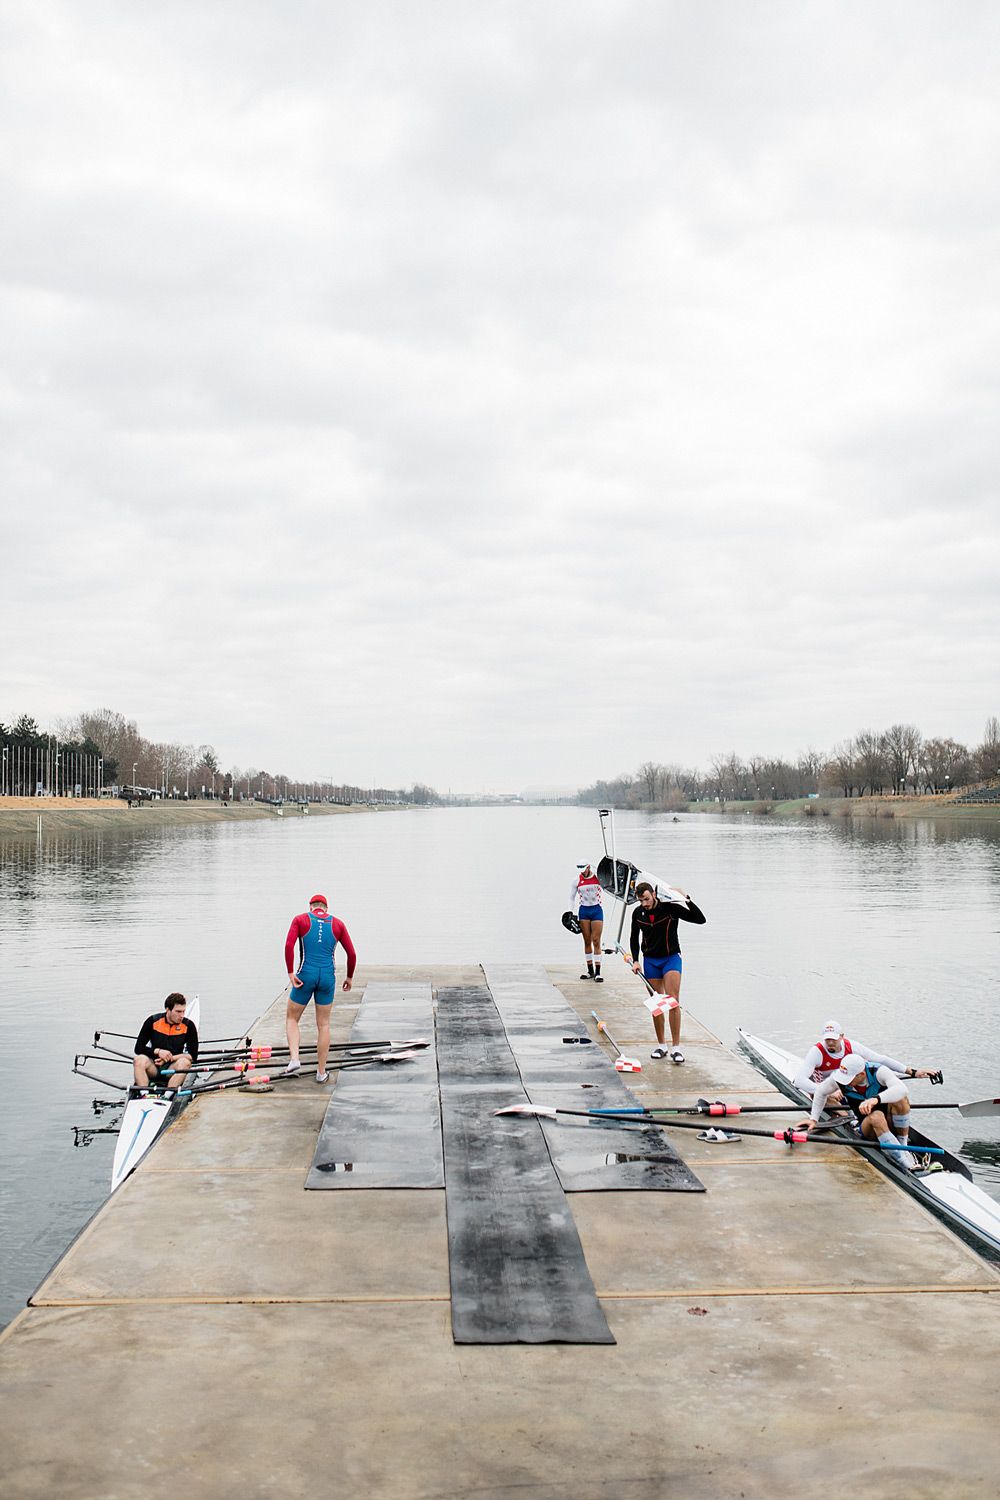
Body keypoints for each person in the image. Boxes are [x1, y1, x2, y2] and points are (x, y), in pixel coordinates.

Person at [804, 1052, 942, 1173]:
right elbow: (821, 1092)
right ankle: (908, 1166)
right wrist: (814, 1119)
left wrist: (875, 1100)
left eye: (849, 1079)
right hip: (866, 1127)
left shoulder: (879, 1071)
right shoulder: (840, 1078)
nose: (845, 1083)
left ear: (862, 1074)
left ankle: (902, 1146)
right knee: (877, 1116)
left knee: (901, 1099)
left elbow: (902, 1089)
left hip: (889, 1119)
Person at [629, 881, 706, 1062]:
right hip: (650, 961)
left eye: (647, 899)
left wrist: (685, 899)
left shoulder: (670, 909)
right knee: (657, 1004)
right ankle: (661, 1045)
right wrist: (635, 960)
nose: (645, 904)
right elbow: (634, 937)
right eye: (641, 901)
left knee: (672, 1002)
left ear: (654, 894)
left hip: (671, 958)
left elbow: (700, 919)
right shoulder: (637, 913)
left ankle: (676, 1048)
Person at [284, 893, 357, 1082]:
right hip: (327, 977)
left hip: (305, 976)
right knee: (323, 1025)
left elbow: (289, 945)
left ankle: (294, 1059)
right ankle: (321, 1073)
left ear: (311, 907)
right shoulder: (338, 924)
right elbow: (352, 954)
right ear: (326, 909)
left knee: (292, 1018)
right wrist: (349, 977)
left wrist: (291, 973)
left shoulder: (300, 920)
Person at [791, 1020, 927, 1098]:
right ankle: (850, 1119)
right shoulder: (817, 1052)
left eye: (833, 1039)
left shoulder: (852, 1046)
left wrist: (912, 1071)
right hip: (826, 1088)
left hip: (845, 1085)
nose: (830, 1043)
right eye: (827, 1039)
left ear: (842, 1036)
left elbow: (880, 1059)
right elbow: (799, 1080)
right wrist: (828, 1092)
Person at [133, 992, 199, 1092]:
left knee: (185, 1062)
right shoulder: (152, 1021)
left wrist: (168, 1058)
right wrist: (158, 1052)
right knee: (138, 1060)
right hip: (154, 1066)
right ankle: (144, 1093)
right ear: (168, 1010)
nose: (181, 1015)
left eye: (183, 1011)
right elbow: (138, 1048)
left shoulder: (189, 1026)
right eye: (178, 1012)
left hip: (172, 1069)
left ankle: (168, 1095)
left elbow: (193, 1056)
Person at [570, 862, 605, 981]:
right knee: (587, 941)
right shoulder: (576, 880)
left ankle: (598, 972)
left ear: (589, 867)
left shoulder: (598, 878)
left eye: (584, 869)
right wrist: (570, 912)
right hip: (584, 911)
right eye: (580, 870)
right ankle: (590, 970)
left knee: (596, 940)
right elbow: (571, 897)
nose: (582, 872)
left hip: (596, 910)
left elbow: (609, 887)